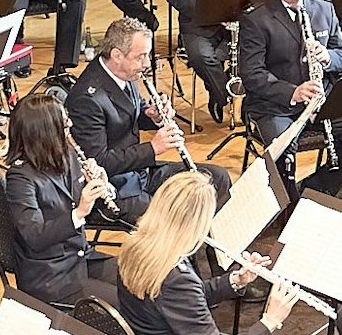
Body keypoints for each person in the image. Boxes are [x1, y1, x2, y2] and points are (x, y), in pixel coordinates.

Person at [115, 172, 300, 335]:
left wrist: (235, 280)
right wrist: (270, 321)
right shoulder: (175, 276)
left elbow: (180, 300)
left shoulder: (138, 246)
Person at [67, 17, 230, 221]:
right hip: (116, 189)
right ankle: (190, 250)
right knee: (177, 216)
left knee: (217, 178)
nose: (146, 64)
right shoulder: (87, 99)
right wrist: (152, 148)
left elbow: (132, 112)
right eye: (141, 57)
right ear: (117, 55)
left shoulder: (125, 72)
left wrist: (153, 116)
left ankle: (208, 248)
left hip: (140, 172)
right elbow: (99, 162)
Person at [239, 0, 342, 198]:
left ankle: (315, 190)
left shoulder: (323, 8)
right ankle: (286, 208)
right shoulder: (257, 19)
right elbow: (252, 74)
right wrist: (293, 92)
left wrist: (327, 57)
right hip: (276, 105)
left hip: (321, 100)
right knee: (284, 150)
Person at [4, 94, 122, 305]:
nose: (70, 125)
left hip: (82, 257)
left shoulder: (67, 153)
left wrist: (103, 186)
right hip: (52, 276)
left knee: (141, 280)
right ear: (47, 131)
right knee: (128, 305)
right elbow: (35, 236)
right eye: (64, 123)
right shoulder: (20, 179)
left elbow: (90, 208)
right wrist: (79, 212)